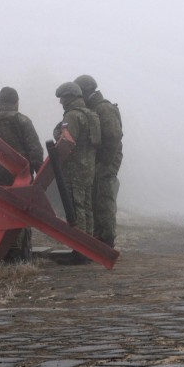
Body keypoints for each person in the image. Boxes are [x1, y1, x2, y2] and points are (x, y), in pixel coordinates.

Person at [0, 86, 44, 260]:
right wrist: (38, 174)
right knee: (22, 213)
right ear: (16, 102)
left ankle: (3, 254)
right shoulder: (21, 120)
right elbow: (35, 150)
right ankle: (19, 255)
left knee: (1, 214)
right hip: (21, 177)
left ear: (0, 102)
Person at [74, 74, 123, 248]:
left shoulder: (104, 108)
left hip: (106, 161)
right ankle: (99, 235)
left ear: (86, 92)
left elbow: (114, 136)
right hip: (99, 161)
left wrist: (105, 163)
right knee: (96, 197)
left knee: (104, 197)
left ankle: (107, 239)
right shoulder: (94, 108)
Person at [53, 82, 100, 239]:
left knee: (76, 207)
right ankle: (90, 244)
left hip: (74, 170)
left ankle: (80, 247)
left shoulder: (72, 116)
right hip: (88, 168)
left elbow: (66, 141)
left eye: (62, 98)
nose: (60, 102)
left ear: (70, 97)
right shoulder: (91, 114)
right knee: (87, 207)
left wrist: (57, 132)